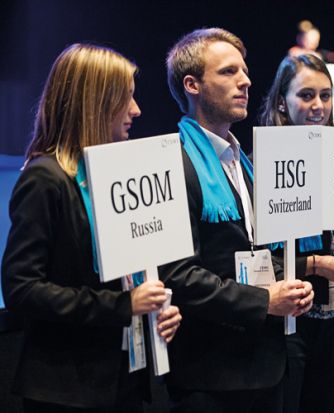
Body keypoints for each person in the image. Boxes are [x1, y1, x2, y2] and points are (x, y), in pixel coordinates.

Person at [1, 43, 182, 412]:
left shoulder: (110, 173)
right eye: (126, 98)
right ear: (95, 102)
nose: (137, 110)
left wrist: (155, 311)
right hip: (65, 389)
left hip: (122, 381)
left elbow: (125, 276)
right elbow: (22, 289)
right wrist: (123, 304)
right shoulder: (45, 179)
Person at [162, 28, 314, 413]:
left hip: (263, 365)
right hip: (210, 374)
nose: (245, 81)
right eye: (228, 72)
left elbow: (252, 250)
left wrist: (295, 281)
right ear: (192, 84)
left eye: (244, 71)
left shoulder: (242, 161)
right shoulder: (172, 162)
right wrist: (264, 299)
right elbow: (179, 275)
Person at [258, 53, 334, 413]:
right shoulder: (261, 165)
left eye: (326, 95)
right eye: (306, 95)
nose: (319, 105)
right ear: (281, 102)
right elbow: (259, 261)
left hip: (331, 325)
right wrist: (319, 264)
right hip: (284, 329)